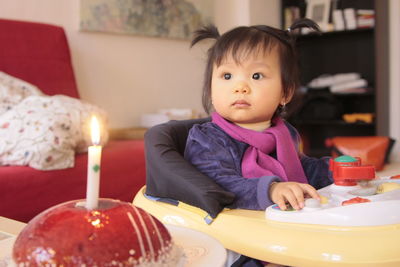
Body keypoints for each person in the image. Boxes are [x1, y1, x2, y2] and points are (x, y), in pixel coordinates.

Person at [184, 18, 333, 215]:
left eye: (256, 76)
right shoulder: (207, 138)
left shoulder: (285, 132)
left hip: (281, 224)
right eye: (227, 76)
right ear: (211, 90)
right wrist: (271, 189)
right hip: (233, 233)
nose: (240, 87)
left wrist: (334, 170)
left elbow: (300, 168)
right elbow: (217, 183)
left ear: (285, 93)